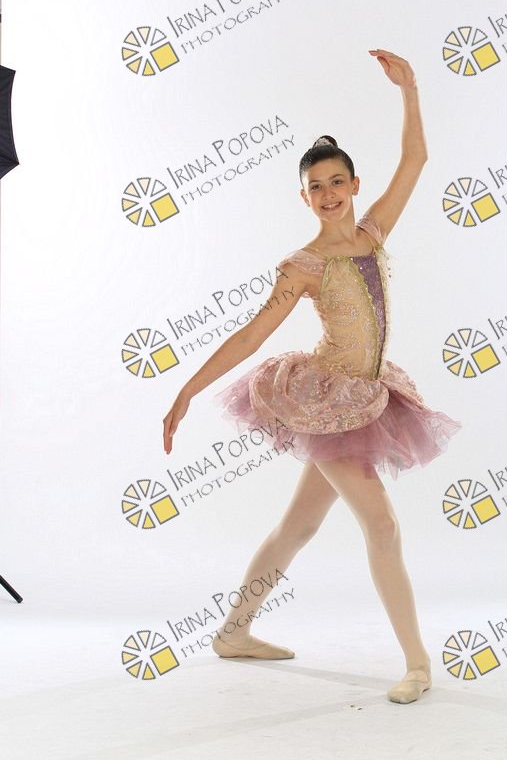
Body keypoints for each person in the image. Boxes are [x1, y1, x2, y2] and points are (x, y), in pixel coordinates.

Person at [163, 49, 462, 704]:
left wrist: (410, 90)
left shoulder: (373, 234)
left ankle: (233, 632)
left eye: (336, 182)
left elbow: (415, 160)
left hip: (368, 396)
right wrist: (187, 389)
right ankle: (417, 664)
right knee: (382, 526)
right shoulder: (304, 264)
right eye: (316, 187)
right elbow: (252, 334)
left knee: (298, 527)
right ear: (303, 197)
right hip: (328, 402)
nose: (327, 195)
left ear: (354, 185)